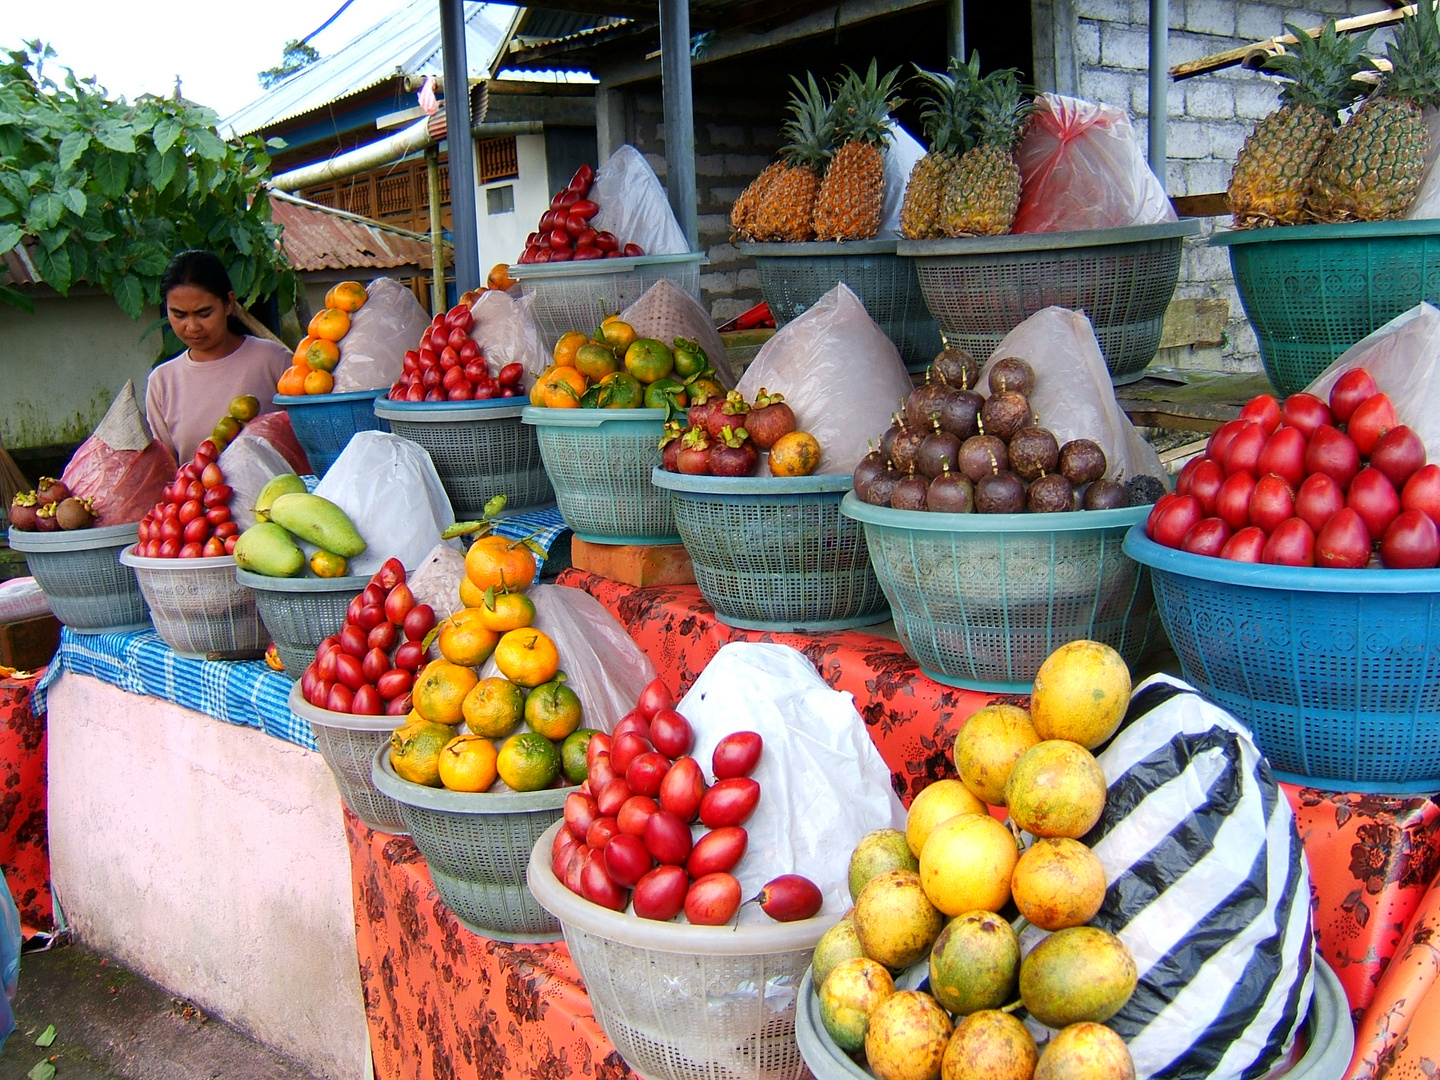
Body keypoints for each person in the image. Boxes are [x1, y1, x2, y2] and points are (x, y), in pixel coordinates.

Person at [145, 250, 291, 462]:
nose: (192, 327)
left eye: (204, 314)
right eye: (179, 315)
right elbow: (166, 470)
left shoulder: (274, 361)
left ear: (228, 303)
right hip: (195, 495)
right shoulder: (162, 382)